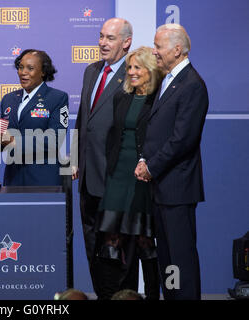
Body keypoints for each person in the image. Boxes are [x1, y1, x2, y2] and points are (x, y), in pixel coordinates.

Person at [135, 24, 208, 300]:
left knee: (181, 260)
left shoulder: (192, 84)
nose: (154, 51)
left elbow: (182, 140)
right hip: (161, 188)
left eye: (159, 46)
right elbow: (157, 131)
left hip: (177, 188)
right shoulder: (168, 80)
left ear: (177, 50)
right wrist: (145, 159)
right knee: (167, 260)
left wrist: (151, 167)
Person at [96, 46, 163, 300]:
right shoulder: (121, 97)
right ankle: (119, 295)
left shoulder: (158, 99)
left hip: (143, 176)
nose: (131, 73)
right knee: (113, 239)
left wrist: (149, 165)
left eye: (137, 68)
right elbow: (115, 135)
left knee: (145, 240)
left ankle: (153, 295)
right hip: (118, 174)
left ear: (151, 70)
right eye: (129, 68)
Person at [72, 17, 132, 298]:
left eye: (110, 38)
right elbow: (83, 119)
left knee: (117, 252)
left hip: (114, 182)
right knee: (92, 247)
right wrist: (73, 159)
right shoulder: (91, 71)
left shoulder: (134, 75)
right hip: (87, 178)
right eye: (101, 36)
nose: (102, 43)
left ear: (126, 42)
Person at [0, 49, 69, 186]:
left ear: (43, 72)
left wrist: (14, 140)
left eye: (30, 68)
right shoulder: (8, 99)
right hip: (13, 179)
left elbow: (55, 139)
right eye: (21, 67)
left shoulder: (58, 98)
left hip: (44, 179)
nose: (23, 72)